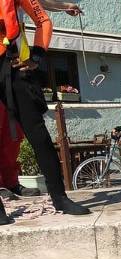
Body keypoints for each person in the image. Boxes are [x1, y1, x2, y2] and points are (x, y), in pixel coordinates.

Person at [0, 0, 90, 225]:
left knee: (39, 137)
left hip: (14, 67)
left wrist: (37, 55)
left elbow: (42, 19)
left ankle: (60, 198)